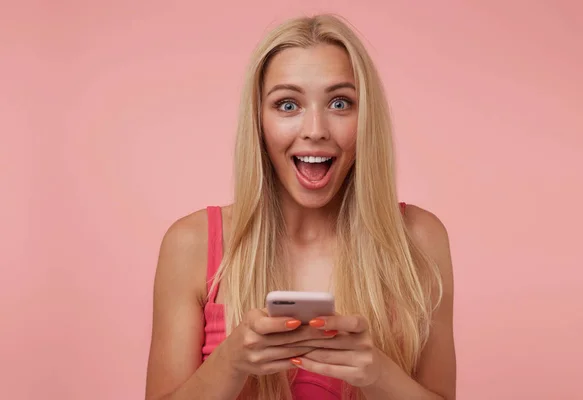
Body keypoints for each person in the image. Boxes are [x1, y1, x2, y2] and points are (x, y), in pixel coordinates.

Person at [145, 14, 456, 400]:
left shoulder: (420, 239)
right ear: (259, 121)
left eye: (340, 103)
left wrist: (377, 373)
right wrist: (231, 363)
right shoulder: (189, 244)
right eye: (287, 105)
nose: (315, 129)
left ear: (366, 119)